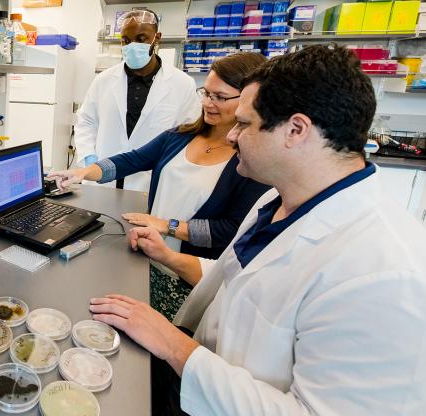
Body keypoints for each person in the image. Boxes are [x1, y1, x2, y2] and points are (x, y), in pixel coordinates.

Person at [90, 45, 426, 415]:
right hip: (196, 382)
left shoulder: (385, 275)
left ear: (296, 130)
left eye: (245, 124)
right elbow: (241, 283)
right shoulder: (280, 203)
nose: (231, 136)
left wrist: (173, 344)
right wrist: (167, 255)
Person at [51, 53, 270, 319]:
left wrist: (168, 226)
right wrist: (84, 170)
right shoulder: (180, 136)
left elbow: (231, 230)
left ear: (249, 99)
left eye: (220, 97)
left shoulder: (251, 160)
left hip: (184, 276)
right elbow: (131, 160)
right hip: (145, 257)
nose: (208, 103)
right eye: (206, 93)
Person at [74, 9, 201, 191]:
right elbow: (86, 121)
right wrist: (89, 158)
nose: (132, 45)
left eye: (141, 39)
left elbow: (189, 135)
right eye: (126, 40)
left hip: (148, 183)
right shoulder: (104, 80)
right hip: (102, 179)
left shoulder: (182, 84)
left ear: (156, 38)